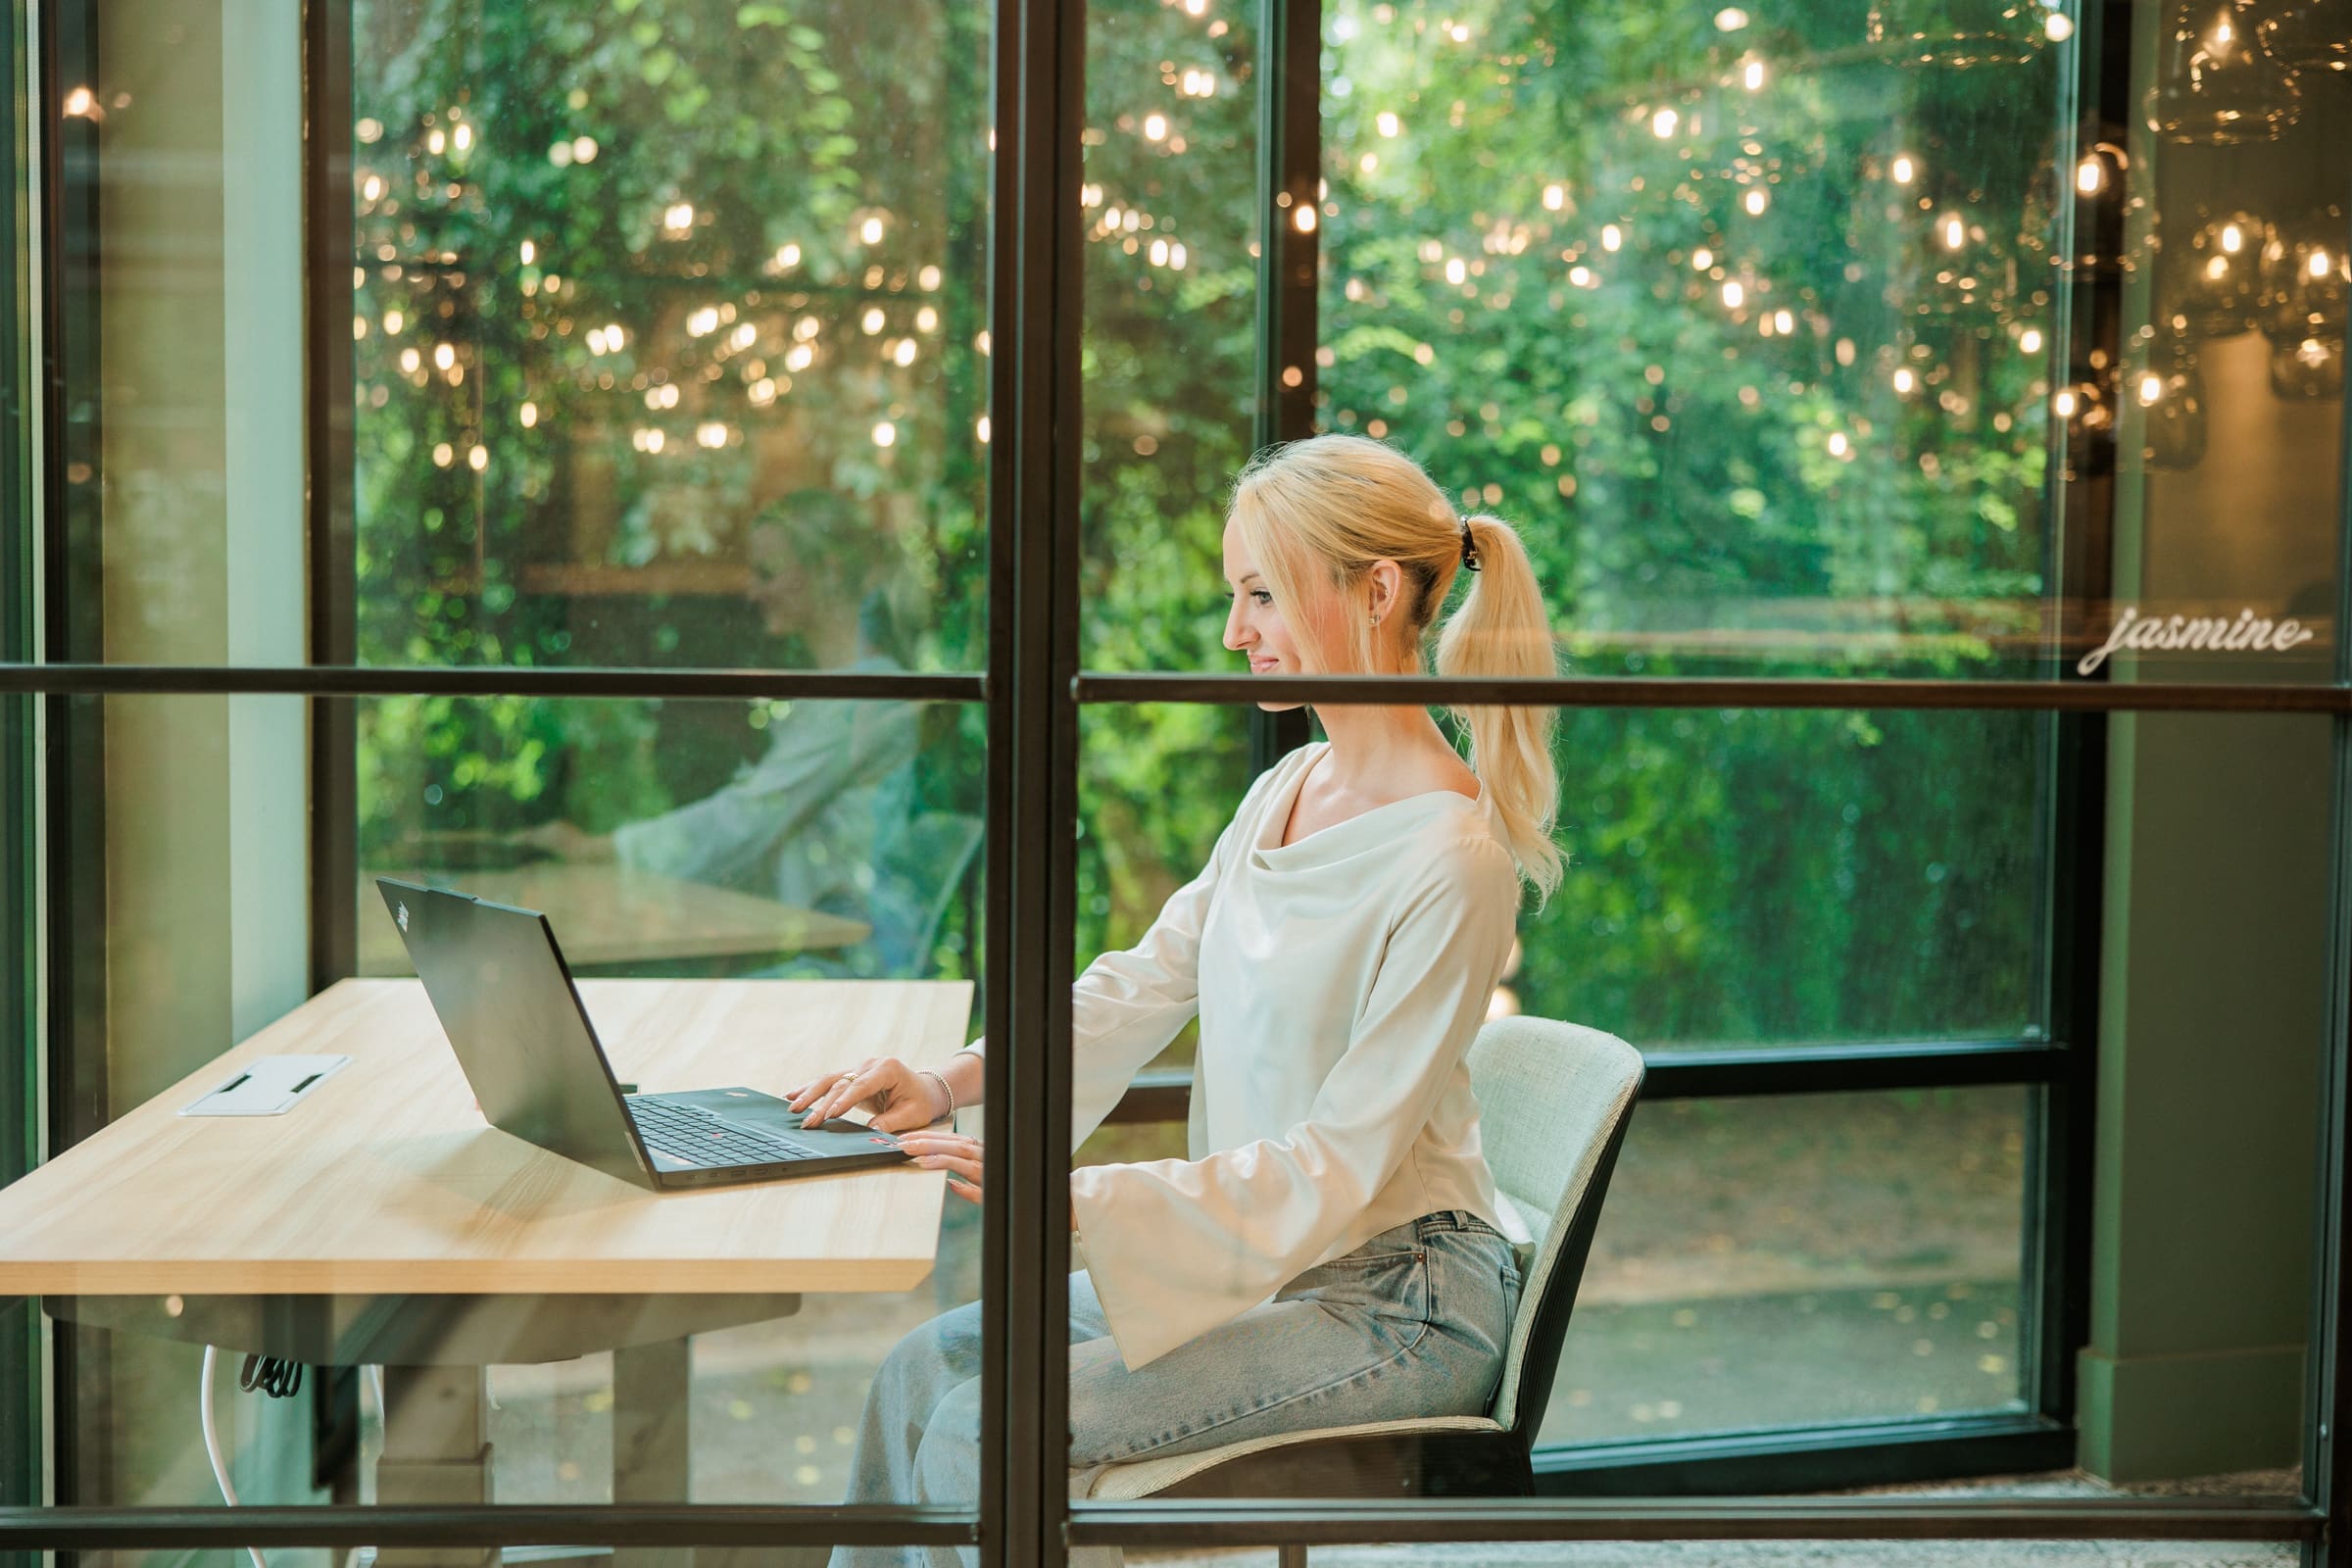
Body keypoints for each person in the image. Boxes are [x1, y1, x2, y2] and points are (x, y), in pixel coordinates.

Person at [785, 434, 1566, 1566]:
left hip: (1394, 1301)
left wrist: (1079, 1203)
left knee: (978, 1429)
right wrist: (951, 1077)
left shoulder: (1453, 859)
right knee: (921, 1370)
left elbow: (1339, 1159)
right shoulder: (1288, 787)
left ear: (1377, 589)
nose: (1233, 631)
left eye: (1261, 594)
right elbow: (1141, 981)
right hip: (1258, 1263)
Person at [514, 490, 959, 974]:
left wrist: (601, 849)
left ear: (828, 570)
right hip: (818, 943)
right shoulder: (846, 693)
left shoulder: (865, 699)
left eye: (768, 573)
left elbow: (748, 818)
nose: (752, 591)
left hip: (856, 960)